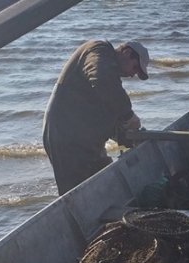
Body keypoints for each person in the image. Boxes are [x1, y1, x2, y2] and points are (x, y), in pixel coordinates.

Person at [42, 39, 148, 195]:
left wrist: (130, 137)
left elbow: (106, 112)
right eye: (135, 67)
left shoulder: (109, 78)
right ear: (127, 53)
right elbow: (101, 80)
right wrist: (128, 115)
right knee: (77, 194)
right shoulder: (99, 49)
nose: (133, 75)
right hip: (66, 138)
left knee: (108, 186)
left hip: (86, 140)